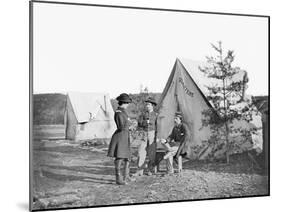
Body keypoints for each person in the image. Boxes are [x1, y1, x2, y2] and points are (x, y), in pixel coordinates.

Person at [107, 93, 133, 185]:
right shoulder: (119, 113)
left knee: (126, 157)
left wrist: (130, 124)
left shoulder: (123, 112)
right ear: (124, 102)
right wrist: (130, 124)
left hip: (125, 136)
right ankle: (118, 179)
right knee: (120, 157)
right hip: (120, 136)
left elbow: (126, 123)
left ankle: (126, 176)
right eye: (127, 103)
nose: (128, 104)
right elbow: (121, 126)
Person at [133, 96, 158, 176]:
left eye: (149, 105)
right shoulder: (143, 115)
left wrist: (157, 137)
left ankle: (150, 169)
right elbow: (139, 124)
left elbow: (158, 127)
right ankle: (139, 170)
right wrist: (143, 123)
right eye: (146, 104)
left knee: (151, 153)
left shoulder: (156, 115)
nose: (147, 106)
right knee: (141, 152)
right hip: (144, 134)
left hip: (152, 134)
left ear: (152, 106)